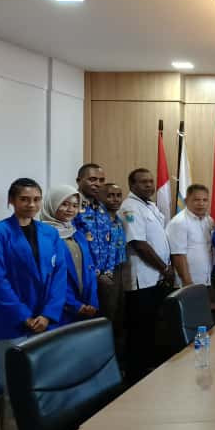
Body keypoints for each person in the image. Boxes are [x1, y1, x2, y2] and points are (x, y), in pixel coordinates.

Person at [0, 178, 67, 430]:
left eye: (36, 199)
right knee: (13, 385)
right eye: (24, 199)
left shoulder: (49, 233)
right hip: (10, 322)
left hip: (45, 320)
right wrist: (24, 316)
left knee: (43, 380)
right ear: (11, 201)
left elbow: (58, 276)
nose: (31, 204)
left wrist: (48, 314)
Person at [119, 168, 174, 385]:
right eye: (143, 182)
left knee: (152, 328)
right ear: (132, 185)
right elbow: (138, 243)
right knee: (139, 331)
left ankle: (151, 374)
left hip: (155, 278)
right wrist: (165, 269)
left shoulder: (149, 205)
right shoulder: (130, 207)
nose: (150, 185)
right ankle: (136, 378)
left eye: (151, 181)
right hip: (141, 280)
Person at [40, 185, 99, 324]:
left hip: (85, 306)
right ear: (52, 204)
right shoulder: (44, 236)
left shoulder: (78, 234)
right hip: (58, 309)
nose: (70, 209)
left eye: (75, 205)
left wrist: (92, 302)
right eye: (64, 204)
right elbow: (49, 278)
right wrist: (75, 305)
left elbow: (90, 270)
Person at [73, 164, 123, 324]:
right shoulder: (71, 207)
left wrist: (108, 272)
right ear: (79, 181)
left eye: (101, 180)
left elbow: (110, 242)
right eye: (92, 179)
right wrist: (95, 274)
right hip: (83, 277)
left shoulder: (101, 208)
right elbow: (74, 246)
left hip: (105, 277)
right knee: (84, 324)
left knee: (106, 321)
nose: (98, 184)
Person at [166, 184, 215, 287]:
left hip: (206, 279)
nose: (201, 203)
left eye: (205, 200)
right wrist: (187, 283)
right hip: (188, 283)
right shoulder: (179, 222)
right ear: (186, 200)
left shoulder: (209, 220)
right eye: (196, 200)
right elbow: (178, 255)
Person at [101, 182, 129, 356]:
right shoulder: (98, 220)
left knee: (119, 314)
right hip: (105, 273)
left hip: (119, 270)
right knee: (108, 315)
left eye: (118, 195)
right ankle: (105, 357)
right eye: (110, 195)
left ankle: (119, 359)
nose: (115, 199)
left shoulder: (118, 219)